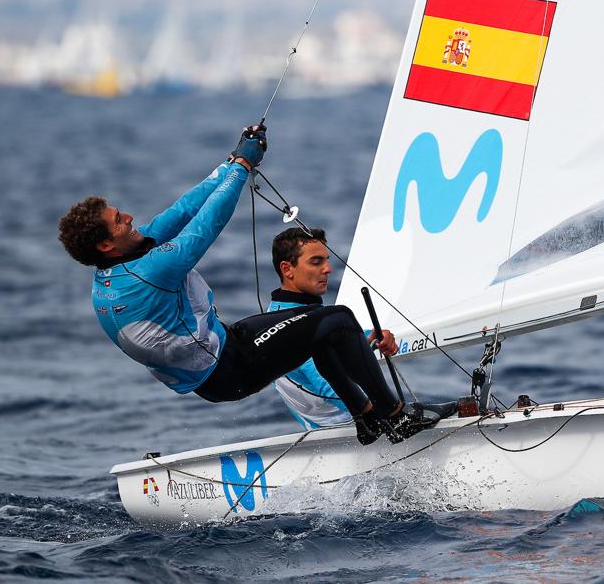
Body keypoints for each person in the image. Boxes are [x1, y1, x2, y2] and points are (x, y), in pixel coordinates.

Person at [57, 126, 432, 445]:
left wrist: (231, 162)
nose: (130, 217)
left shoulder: (112, 270)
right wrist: (242, 167)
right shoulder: (148, 273)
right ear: (106, 244)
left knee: (314, 323)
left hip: (223, 347)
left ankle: (365, 417)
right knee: (340, 319)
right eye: (120, 220)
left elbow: (184, 210)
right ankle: (394, 416)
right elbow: (205, 225)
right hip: (227, 370)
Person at [266, 227, 455, 430]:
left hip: (355, 428)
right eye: (316, 262)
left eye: (327, 259)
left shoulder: (293, 312)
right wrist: (388, 415)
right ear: (287, 269)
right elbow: (327, 386)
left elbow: (330, 350)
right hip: (346, 433)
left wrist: (369, 340)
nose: (328, 268)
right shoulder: (291, 325)